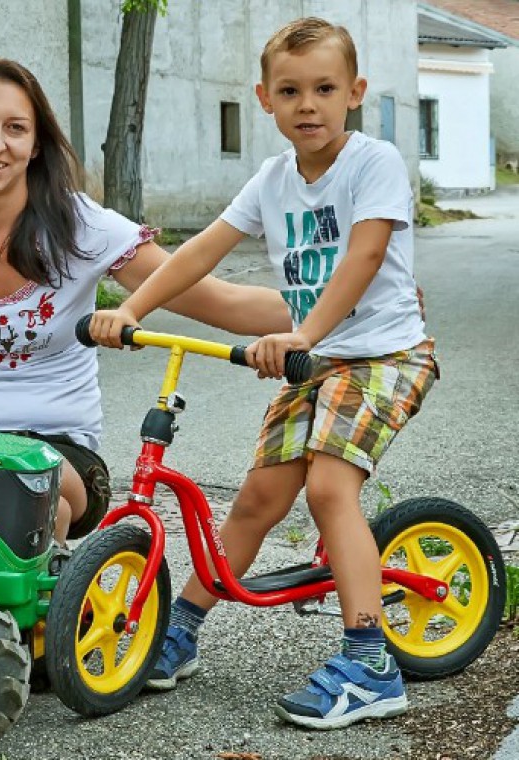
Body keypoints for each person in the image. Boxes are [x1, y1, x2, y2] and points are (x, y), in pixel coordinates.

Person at [90, 18, 437, 729]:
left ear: (354, 93)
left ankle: (371, 663)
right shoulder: (273, 179)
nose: (307, 105)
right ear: (264, 99)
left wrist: (301, 333)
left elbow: (363, 260)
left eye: (324, 89)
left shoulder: (374, 164)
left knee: (328, 485)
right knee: (255, 499)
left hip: (384, 356)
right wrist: (128, 308)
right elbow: (197, 254)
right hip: (318, 362)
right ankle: (180, 627)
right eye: (290, 90)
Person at [0, 58, 292, 544]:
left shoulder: (81, 227)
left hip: (59, 452)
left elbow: (220, 301)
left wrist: (354, 308)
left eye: (15, 128)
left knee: (21, 501)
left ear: (35, 145)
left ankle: (35, 617)